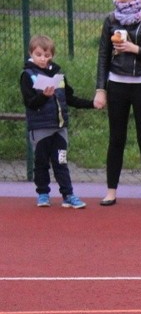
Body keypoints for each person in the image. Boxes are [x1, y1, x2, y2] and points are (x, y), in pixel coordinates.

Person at [94, 0, 141, 207]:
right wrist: (101, 89)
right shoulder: (111, 19)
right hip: (117, 84)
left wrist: (137, 50)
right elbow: (103, 55)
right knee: (116, 138)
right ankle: (111, 191)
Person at [20, 35, 94, 209]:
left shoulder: (58, 75)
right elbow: (30, 103)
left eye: (47, 55)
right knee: (41, 163)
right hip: (40, 128)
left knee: (61, 162)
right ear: (31, 53)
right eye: (39, 54)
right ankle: (43, 194)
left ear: (51, 55)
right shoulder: (27, 76)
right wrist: (43, 96)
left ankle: (68, 195)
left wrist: (91, 104)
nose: (43, 59)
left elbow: (69, 98)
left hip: (60, 128)